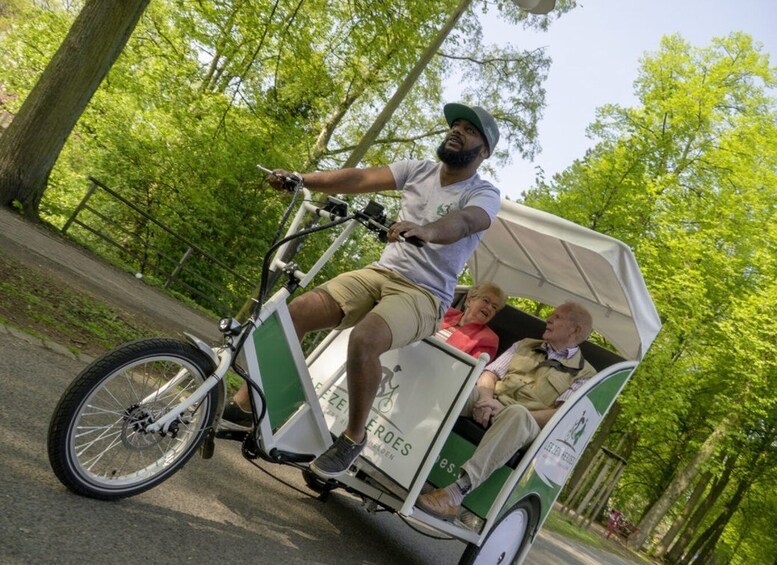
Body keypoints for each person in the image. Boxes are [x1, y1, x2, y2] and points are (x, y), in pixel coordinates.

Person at [222, 103, 502, 479]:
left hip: (425, 294)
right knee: (295, 313)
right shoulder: (418, 170)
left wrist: (428, 230)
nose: (457, 131)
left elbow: (466, 221)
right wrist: (302, 179)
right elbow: (357, 179)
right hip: (381, 272)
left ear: (483, 151)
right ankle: (247, 404)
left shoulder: (483, 192)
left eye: (469, 131)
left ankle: (353, 437)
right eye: (456, 126)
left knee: (365, 337)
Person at [416, 301, 597, 521]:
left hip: (528, 423)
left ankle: (455, 494)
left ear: (575, 330)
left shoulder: (585, 374)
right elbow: (490, 374)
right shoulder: (525, 344)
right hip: (492, 401)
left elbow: (561, 415)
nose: (549, 319)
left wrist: (503, 408)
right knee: (458, 388)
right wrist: (485, 398)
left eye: (557, 317)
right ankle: (410, 447)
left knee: (517, 414)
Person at [435, 281, 506, 360]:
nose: (489, 308)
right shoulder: (446, 312)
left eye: (494, 307)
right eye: (486, 301)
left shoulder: (488, 339)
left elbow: (469, 367)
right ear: (469, 300)